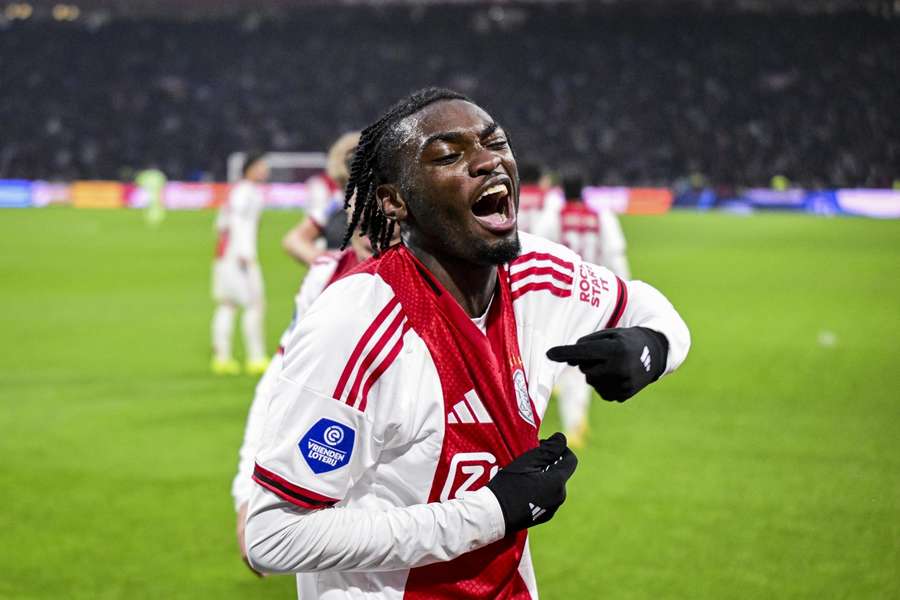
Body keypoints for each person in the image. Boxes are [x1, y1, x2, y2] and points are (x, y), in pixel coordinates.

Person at [244, 88, 690, 598]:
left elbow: (650, 308)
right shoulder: (352, 326)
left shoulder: (539, 275)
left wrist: (650, 347)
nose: (487, 161)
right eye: (449, 155)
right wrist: (490, 512)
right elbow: (274, 536)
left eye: (495, 142)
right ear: (394, 200)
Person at [232, 220, 393, 576]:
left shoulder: (452, 281)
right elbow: (277, 389)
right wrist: (248, 493)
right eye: (358, 202)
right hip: (336, 506)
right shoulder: (325, 276)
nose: (369, 221)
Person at [544, 170, 632, 447]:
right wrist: (624, 295)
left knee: (560, 355)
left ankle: (569, 417)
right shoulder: (601, 216)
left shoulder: (554, 216)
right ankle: (575, 418)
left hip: (561, 297)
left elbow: (541, 251)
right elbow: (615, 254)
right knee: (581, 357)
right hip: (594, 296)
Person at [211, 152, 270, 376]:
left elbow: (220, 225)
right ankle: (255, 358)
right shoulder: (248, 193)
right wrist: (245, 253)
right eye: (262, 166)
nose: (266, 170)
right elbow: (238, 222)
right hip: (240, 255)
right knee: (255, 304)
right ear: (250, 169)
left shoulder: (236, 191)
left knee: (227, 304)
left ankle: (221, 358)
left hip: (224, 255)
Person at [282, 132, 361, 265]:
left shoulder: (336, 202)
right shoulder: (336, 203)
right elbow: (292, 240)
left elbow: (293, 240)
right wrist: (330, 266)